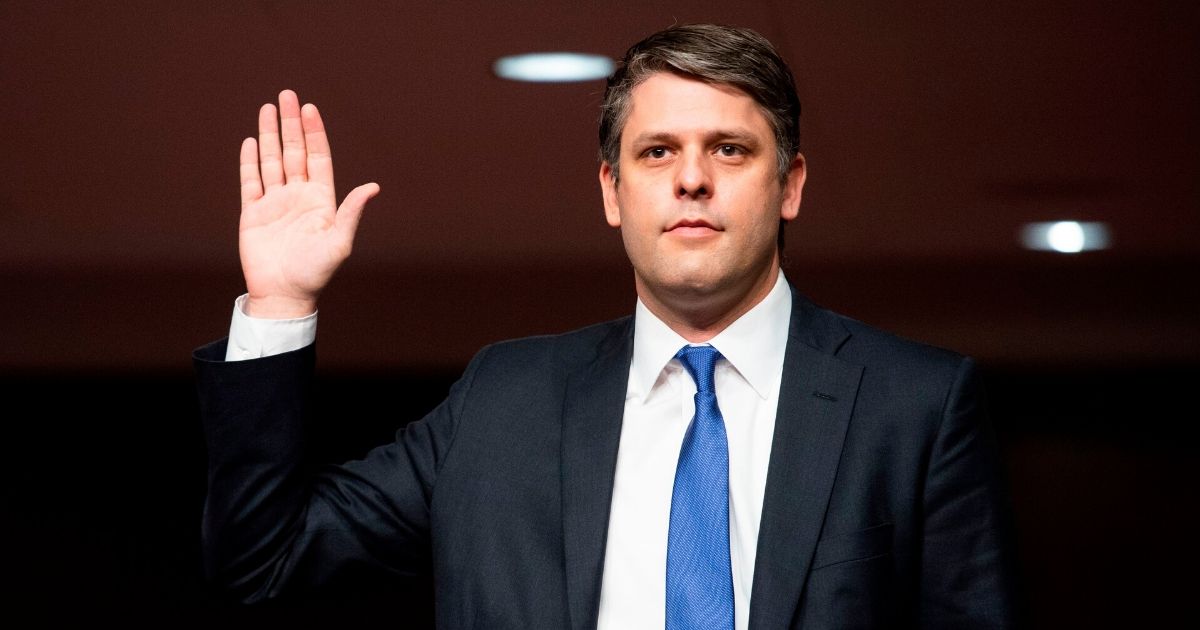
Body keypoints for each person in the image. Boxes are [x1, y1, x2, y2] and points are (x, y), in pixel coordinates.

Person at [195, 23, 1016, 629]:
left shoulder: (916, 406)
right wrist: (279, 304)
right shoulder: (500, 403)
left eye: (730, 150)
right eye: (657, 152)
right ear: (611, 192)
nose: (691, 179)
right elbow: (262, 564)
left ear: (790, 184)